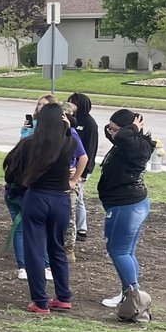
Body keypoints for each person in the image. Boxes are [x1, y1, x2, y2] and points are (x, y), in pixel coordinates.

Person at [3, 102, 78, 315]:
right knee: (57, 247)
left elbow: (10, 170)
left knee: (35, 250)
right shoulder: (69, 143)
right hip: (61, 200)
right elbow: (69, 134)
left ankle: (40, 301)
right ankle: (63, 296)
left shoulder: (29, 144)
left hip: (37, 197)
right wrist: (68, 123)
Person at [97, 108, 155, 311]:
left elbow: (122, 136)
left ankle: (132, 296)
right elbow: (116, 135)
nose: (111, 133)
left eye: (115, 129)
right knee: (126, 251)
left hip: (126, 206)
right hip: (129, 205)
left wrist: (131, 127)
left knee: (118, 251)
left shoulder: (135, 145)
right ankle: (128, 291)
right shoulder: (129, 142)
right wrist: (126, 129)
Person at [68, 92, 100, 240]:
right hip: (71, 166)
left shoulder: (89, 123)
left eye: (73, 103)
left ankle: (81, 228)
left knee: (78, 198)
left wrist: (84, 173)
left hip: (83, 168)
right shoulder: (71, 121)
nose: (70, 105)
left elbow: (90, 149)